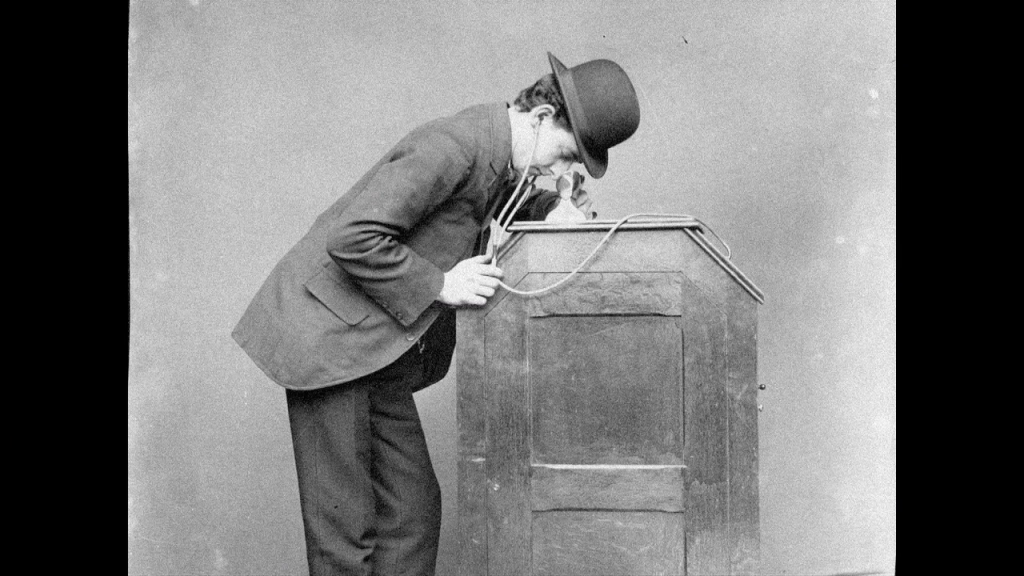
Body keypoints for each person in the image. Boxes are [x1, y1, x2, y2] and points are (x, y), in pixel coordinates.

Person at [232, 52, 640, 576]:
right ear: (540, 120)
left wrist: (549, 211)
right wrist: (442, 284)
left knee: (412, 516)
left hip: (376, 349)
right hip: (330, 343)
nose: (563, 172)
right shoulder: (452, 146)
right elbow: (353, 237)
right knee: (345, 536)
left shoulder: (497, 149)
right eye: (566, 156)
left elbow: (487, 202)